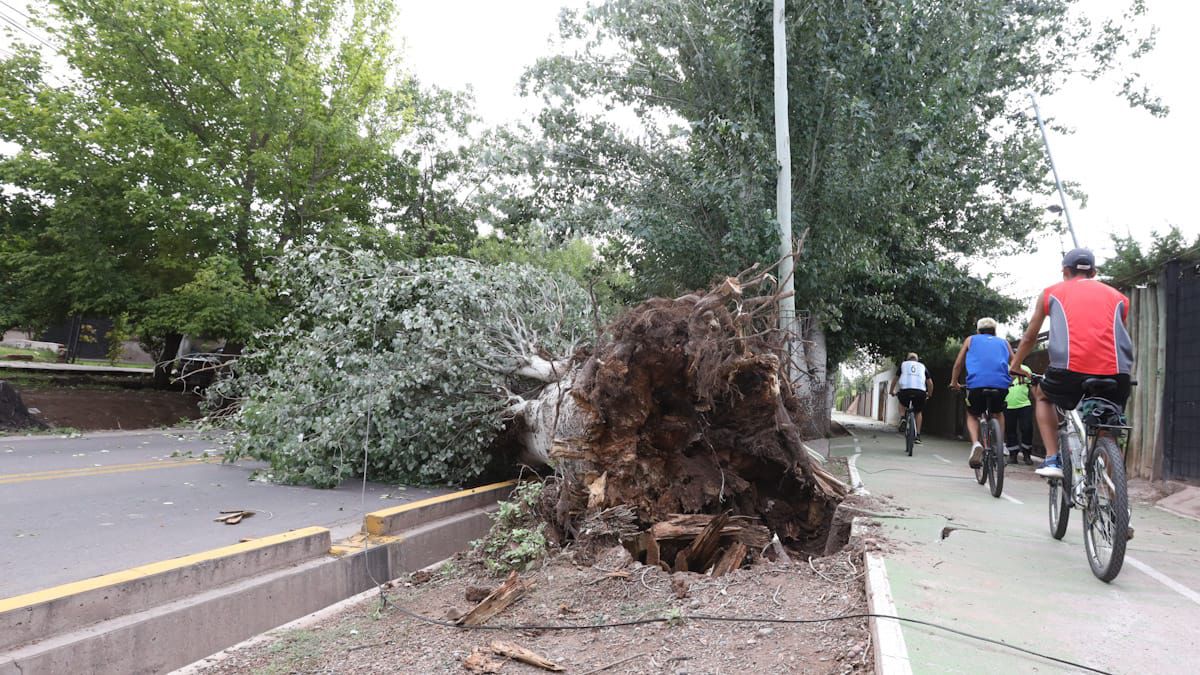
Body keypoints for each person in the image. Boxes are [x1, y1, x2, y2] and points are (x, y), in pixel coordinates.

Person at [1010, 248, 1133, 480]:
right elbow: (1118, 334)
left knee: (1042, 395)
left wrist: (1015, 364)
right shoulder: (1119, 298)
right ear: (1094, 272)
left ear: (1065, 271)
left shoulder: (1051, 293)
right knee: (1107, 423)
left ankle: (1052, 458)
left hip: (1069, 370)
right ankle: (1111, 494)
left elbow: (1029, 337)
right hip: (1117, 372)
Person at [950, 317, 1013, 469]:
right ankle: (1000, 444)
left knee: (972, 413)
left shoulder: (971, 340)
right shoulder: (1004, 343)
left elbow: (959, 363)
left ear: (978, 331)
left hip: (976, 385)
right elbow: (1015, 362)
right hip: (1000, 385)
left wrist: (954, 382)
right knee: (998, 412)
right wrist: (1020, 376)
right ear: (995, 331)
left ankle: (976, 444)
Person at [890, 353, 934, 443]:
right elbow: (930, 383)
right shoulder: (922, 366)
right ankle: (917, 436)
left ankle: (902, 418)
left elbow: (895, 379)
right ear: (917, 360)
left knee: (901, 401)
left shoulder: (903, 365)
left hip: (905, 391)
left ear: (907, 359)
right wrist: (929, 394)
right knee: (918, 412)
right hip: (920, 392)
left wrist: (891, 391)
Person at [1005, 361, 1035, 465]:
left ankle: (1027, 454)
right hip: (1008, 405)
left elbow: (1032, 384)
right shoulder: (1004, 369)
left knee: (1027, 429)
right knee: (1010, 430)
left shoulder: (1025, 369)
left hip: (1024, 404)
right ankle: (1013, 455)